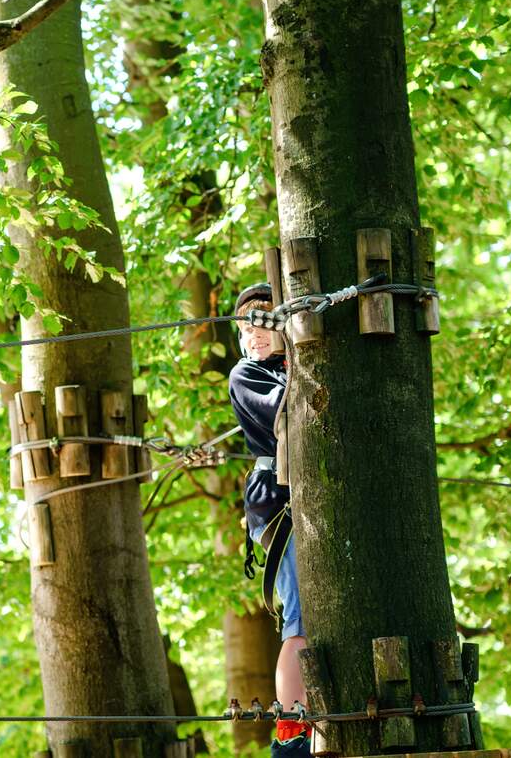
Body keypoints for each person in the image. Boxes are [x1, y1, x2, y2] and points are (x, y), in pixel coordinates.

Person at [227, 282, 310, 756]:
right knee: (298, 615)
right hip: (277, 500)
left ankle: (314, 724)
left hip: (307, 496)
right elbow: (291, 412)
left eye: (264, 322)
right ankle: (292, 735)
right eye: (246, 326)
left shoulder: (286, 364)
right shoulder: (247, 374)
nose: (255, 333)